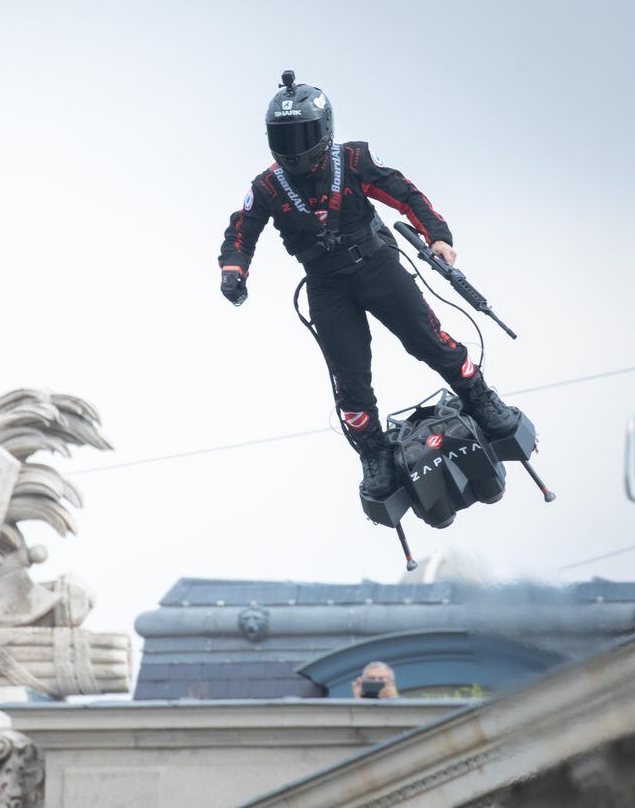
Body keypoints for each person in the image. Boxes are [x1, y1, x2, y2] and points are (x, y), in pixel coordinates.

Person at [218, 71, 523, 500]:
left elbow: (404, 192)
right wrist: (234, 270)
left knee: (428, 340)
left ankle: (479, 396)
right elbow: (242, 229)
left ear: (324, 131)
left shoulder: (354, 159)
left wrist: (437, 235)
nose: (293, 148)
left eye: (302, 135)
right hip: (326, 286)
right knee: (350, 381)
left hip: (377, 266)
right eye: (283, 137)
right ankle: (374, 453)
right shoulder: (266, 186)